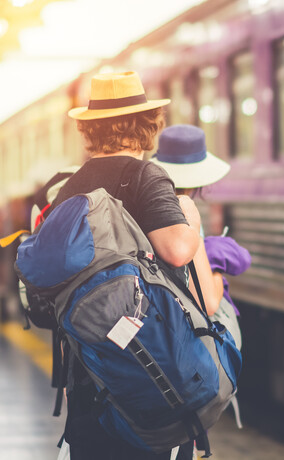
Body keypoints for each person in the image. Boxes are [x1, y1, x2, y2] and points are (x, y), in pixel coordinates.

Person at [51, 71, 221, 460]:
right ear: (147, 125)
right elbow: (178, 250)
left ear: (90, 130)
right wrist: (191, 218)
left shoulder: (69, 189)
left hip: (88, 381)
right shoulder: (147, 176)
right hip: (151, 382)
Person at [151, 124, 250, 349]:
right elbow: (208, 302)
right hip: (181, 339)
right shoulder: (186, 211)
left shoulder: (146, 205)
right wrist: (216, 273)